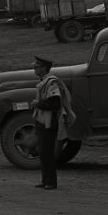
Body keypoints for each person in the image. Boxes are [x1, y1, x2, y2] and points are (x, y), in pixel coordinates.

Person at [31, 56, 70, 190]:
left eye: (37, 66)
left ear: (44, 68)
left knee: (47, 152)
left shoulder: (51, 83)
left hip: (49, 121)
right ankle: (45, 179)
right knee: (42, 151)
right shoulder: (44, 81)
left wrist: (38, 104)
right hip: (42, 121)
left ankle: (51, 181)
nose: (34, 68)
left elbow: (54, 103)